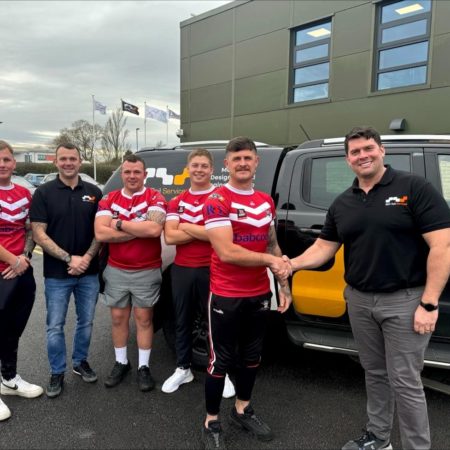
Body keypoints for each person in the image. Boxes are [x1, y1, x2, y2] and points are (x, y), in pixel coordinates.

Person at [289, 126, 450, 450]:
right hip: (359, 300)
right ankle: (378, 438)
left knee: (405, 381)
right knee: (375, 372)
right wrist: (290, 264)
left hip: (404, 301)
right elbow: (324, 248)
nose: (362, 155)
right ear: (348, 160)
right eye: (355, 152)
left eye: (368, 149)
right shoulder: (343, 203)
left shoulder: (413, 188)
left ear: (381, 150)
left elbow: (442, 245)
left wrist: (429, 303)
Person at [201, 137, 292, 448]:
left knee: (252, 356)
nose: (242, 163)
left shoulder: (265, 201)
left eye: (247, 158)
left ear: (257, 162)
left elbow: (271, 244)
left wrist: (282, 283)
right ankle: (211, 421)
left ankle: (242, 409)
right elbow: (226, 252)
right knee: (220, 360)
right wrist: (270, 261)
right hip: (226, 293)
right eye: (236, 158)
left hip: (258, 293)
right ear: (226, 164)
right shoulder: (217, 199)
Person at [161, 148, 235, 398]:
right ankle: (183, 368)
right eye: (195, 165)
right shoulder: (176, 201)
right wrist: (203, 230)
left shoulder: (220, 199)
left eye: (204, 166)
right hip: (182, 269)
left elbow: (221, 236)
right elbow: (170, 237)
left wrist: (186, 226)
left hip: (212, 268)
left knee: (214, 322)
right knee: (181, 320)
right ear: (188, 168)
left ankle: (220, 371)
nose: (199, 170)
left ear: (212, 170)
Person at [30, 143, 102, 398]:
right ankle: (57, 371)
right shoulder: (44, 193)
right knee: (55, 325)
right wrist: (69, 258)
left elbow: (100, 232)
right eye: (63, 159)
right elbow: (38, 232)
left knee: (87, 322)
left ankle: (80, 362)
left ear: (80, 162)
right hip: (56, 275)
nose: (68, 163)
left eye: (73, 158)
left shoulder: (94, 192)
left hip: (89, 273)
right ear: (56, 162)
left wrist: (87, 258)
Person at [94, 154, 167, 392]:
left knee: (144, 319)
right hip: (116, 269)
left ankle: (143, 367)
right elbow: (101, 234)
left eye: (137, 172)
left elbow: (154, 229)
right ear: (122, 174)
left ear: (145, 174)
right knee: (118, 318)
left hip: (146, 270)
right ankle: (121, 362)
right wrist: (139, 228)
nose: (132, 176)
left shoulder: (155, 197)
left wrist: (118, 223)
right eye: (127, 172)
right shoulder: (109, 198)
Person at [0, 141, 43, 421]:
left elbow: (30, 231)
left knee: (12, 329)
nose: (2, 164)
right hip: (6, 269)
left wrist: (24, 257)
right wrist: (12, 260)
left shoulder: (24, 194)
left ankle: (9, 378)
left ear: (14, 163)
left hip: (21, 270)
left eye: (6, 159)